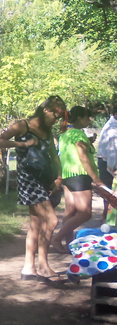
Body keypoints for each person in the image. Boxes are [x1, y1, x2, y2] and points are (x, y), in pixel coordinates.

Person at [0, 95, 67, 282]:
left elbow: (54, 157)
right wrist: (22, 144)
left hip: (44, 181)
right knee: (51, 221)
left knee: (36, 224)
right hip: (28, 181)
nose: (56, 120)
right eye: (55, 116)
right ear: (46, 110)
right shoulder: (22, 126)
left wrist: (59, 178)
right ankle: (43, 266)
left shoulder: (48, 132)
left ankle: (29, 267)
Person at [51, 106, 105, 252]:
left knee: (71, 211)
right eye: (87, 117)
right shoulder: (78, 135)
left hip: (68, 175)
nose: (89, 120)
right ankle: (57, 238)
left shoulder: (65, 134)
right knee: (85, 212)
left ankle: (70, 243)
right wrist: (96, 178)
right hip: (79, 174)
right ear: (80, 118)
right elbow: (83, 157)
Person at [97, 104, 117, 222]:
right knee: (111, 195)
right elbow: (112, 152)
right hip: (109, 164)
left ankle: (108, 221)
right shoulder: (112, 128)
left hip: (107, 162)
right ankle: (108, 223)